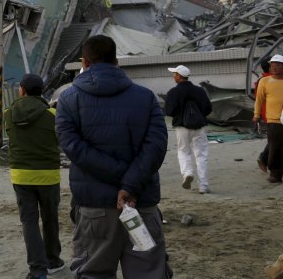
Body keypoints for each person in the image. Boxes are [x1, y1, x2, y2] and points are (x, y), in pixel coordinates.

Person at [55, 35, 171, 279]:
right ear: (117, 61)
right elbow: (156, 147)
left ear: (84, 63)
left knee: (93, 273)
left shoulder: (68, 99)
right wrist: (129, 184)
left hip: (94, 208)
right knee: (149, 273)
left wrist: (123, 180)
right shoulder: (146, 97)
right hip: (141, 204)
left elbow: (73, 147)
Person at [5, 73, 64, 279]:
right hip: (48, 176)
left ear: (22, 90)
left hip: (21, 176)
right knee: (50, 219)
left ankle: (37, 270)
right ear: (42, 91)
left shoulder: (8, 113)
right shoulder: (52, 115)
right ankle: (53, 261)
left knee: (29, 222)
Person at [164, 65, 212, 194]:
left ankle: (187, 173)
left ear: (179, 76)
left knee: (183, 151)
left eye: (175, 74)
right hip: (199, 126)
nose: (173, 76)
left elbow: (169, 111)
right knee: (201, 154)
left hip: (181, 127)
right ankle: (204, 185)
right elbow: (208, 108)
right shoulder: (200, 91)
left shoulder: (173, 92)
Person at [253, 54, 283, 184]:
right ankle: (275, 174)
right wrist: (256, 115)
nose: (274, 68)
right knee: (274, 147)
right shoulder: (264, 82)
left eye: (277, 65)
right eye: (272, 65)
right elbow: (259, 100)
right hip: (273, 120)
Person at [253, 60, 272, 172]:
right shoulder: (266, 80)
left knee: (275, 139)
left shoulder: (263, 80)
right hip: (271, 114)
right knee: (275, 139)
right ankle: (264, 158)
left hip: (269, 114)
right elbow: (259, 99)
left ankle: (265, 159)